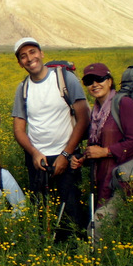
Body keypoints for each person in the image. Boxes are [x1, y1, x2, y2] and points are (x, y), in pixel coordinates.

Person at [11, 37, 89, 241]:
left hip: (67, 155)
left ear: (41, 53)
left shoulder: (65, 79)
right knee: (42, 209)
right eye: (23, 56)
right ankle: (47, 249)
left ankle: (74, 251)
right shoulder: (23, 88)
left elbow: (83, 118)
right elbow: (19, 129)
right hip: (38, 159)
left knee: (71, 208)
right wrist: (35, 153)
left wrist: (66, 154)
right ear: (20, 63)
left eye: (32, 52)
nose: (30, 58)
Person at [71, 63, 133, 239]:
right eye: (89, 81)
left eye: (100, 79)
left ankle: (92, 264)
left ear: (110, 81)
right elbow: (96, 146)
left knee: (98, 227)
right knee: (113, 231)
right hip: (103, 181)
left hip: (123, 182)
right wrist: (84, 158)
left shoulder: (123, 104)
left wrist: (105, 152)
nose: (94, 84)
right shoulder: (96, 112)